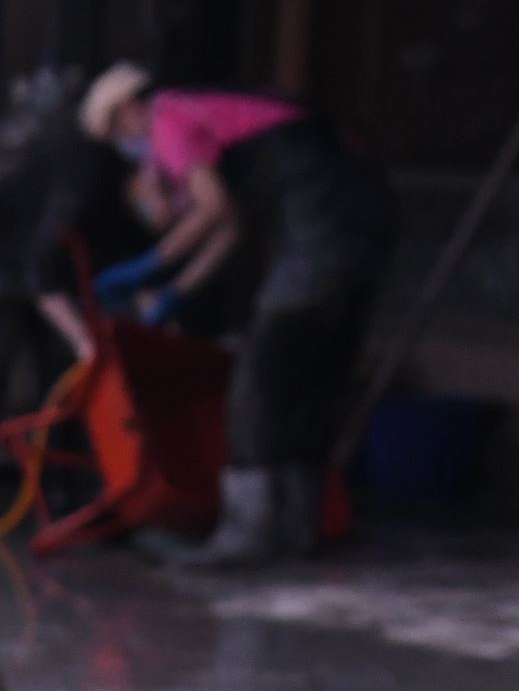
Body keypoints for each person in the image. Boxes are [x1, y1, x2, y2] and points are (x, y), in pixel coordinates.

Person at [78, 60, 396, 566]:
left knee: (259, 377)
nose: (126, 144)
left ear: (130, 108)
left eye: (117, 131)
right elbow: (229, 230)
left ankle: (250, 533)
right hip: (367, 217)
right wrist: (174, 292)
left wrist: (149, 265)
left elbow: (211, 210)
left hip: (324, 226)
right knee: (309, 376)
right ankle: (299, 528)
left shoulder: (168, 118)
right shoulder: (215, 114)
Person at [0, 99, 137, 515]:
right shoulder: (87, 175)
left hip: (44, 275)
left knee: (59, 381)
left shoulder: (121, 191)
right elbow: (42, 270)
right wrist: (84, 340)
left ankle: (58, 491)